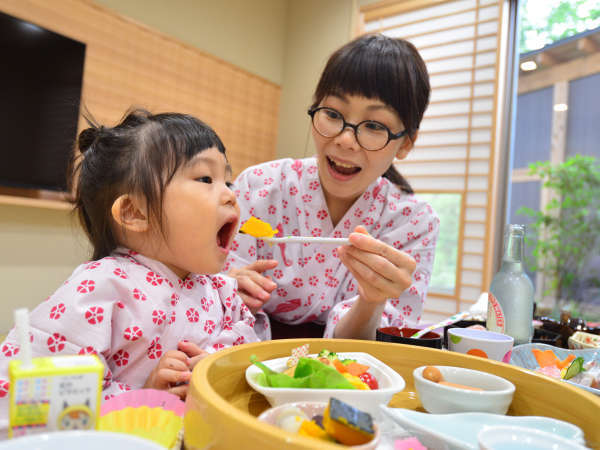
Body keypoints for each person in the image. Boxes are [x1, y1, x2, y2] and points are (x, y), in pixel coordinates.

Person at [0, 109, 259, 420]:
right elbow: (41, 398)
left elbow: (249, 357)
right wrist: (143, 399)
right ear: (135, 213)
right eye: (206, 178)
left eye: (227, 180)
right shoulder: (101, 287)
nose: (231, 195)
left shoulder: (222, 291)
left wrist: (216, 366)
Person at [226, 33, 440, 340]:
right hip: (247, 355)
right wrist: (227, 288)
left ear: (405, 143)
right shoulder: (260, 187)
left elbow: (372, 348)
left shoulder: (412, 223)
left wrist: (372, 299)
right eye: (333, 114)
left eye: (374, 126)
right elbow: (215, 293)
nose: (344, 139)